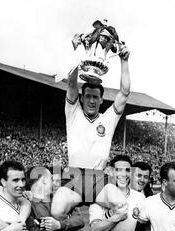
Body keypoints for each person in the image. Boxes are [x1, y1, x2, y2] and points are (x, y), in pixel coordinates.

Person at [51, 35, 131, 221]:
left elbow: (124, 93)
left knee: (122, 207)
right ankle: (74, 228)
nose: (92, 100)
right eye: (88, 96)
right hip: (74, 176)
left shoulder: (108, 119)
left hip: (98, 179)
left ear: (102, 99)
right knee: (56, 211)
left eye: (95, 97)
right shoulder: (73, 113)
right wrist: (76, 51)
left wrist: (124, 61)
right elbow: (71, 84)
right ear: (82, 98)